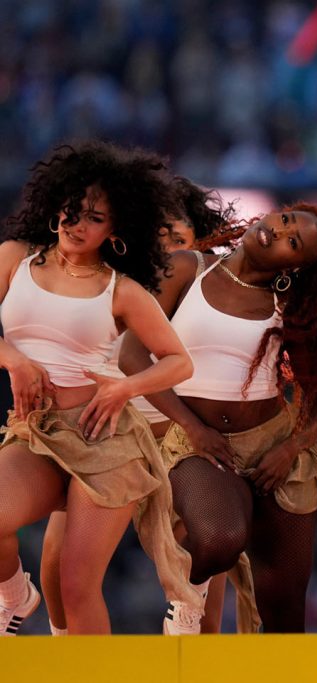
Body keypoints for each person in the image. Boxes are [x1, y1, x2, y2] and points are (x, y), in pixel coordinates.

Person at [123, 202, 317, 634]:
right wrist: (192, 427)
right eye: (286, 221)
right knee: (219, 538)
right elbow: (131, 355)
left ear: (295, 267)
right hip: (197, 442)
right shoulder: (186, 269)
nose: (280, 232)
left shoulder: (292, 306)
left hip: (274, 451)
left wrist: (290, 449)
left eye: (294, 243)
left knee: (285, 608)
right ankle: (186, 603)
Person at [0, 141, 201, 635]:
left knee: (75, 586)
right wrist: (13, 359)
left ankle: (91, 667)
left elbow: (179, 362)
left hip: (104, 440)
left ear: (115, 230)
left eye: (94, 218)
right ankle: (14, 595)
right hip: (36, 433)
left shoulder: (122, 291)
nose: (76, 223)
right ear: (55, 205)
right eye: (72, 208)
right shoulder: (14, 258)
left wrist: (124, 389)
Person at [39, 176, 234, 636]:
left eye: (178, 238)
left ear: (197, 244)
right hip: (104, 435)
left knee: (205, 552)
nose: (166, 247)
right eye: (157, 235)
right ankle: (64, 647)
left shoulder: (206, 291)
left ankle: (199, 657)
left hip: (177, 438)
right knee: (58, 557)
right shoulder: (107, 280)